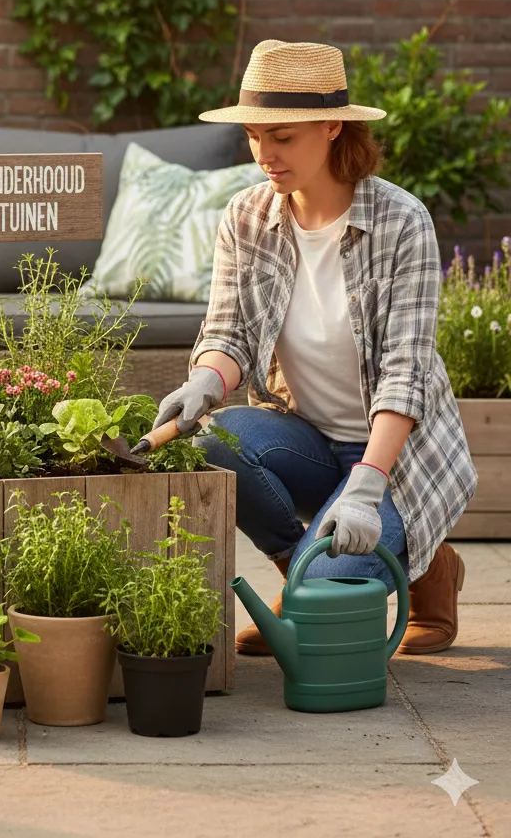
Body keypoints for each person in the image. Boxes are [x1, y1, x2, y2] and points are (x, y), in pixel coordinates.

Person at [153, 40, 477, 656]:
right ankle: (299, 564)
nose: (264, 156)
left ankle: (428, 566)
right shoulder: (246, 218)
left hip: (398, 461)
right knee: (212, 441)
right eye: (254, 137)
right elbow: (229, 336)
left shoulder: (402, 223)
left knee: (320, 605)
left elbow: (406, 375)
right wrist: (204, 381)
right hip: (307, 437)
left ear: (333, 127)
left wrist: (367, 486)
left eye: (282, 137)